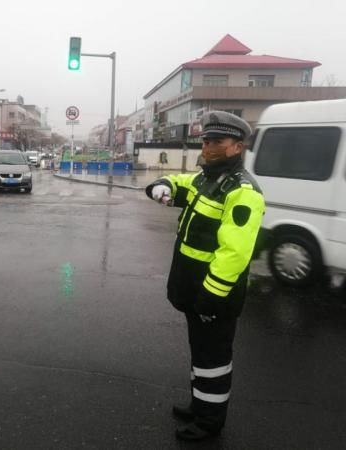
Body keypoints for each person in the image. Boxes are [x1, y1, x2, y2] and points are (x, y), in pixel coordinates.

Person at [145, 111, 265, 441]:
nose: (209, 147)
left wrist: (212, 297)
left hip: (215, 296)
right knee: (201, 354)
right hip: (197, 291)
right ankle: (200, 406)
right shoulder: (209, 179)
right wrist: (161, 184)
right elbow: (181, 183)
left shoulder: (242, 191)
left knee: (214, 361)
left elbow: (235, 253)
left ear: (237, 147)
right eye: (207, 141)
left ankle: (210, 421)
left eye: (217, 142)